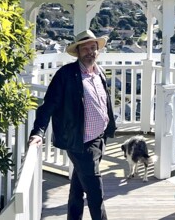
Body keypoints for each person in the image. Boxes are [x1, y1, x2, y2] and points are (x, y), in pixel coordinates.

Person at [29, 30, 117, 220]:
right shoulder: (66, 75)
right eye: (85, 48)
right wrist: (38, 132)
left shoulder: (99, 72)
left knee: (78, 188)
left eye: (93, 48)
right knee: (95, 193)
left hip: (99, 138)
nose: (90, 52)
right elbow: (49, 105)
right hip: (80, 143)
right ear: (77, 52)